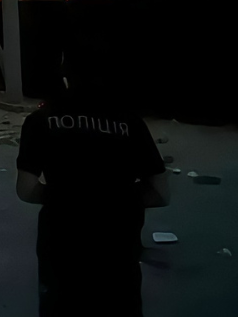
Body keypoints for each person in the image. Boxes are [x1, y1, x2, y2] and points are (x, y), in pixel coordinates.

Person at [16, 76, 170, 317]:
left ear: (66, 74)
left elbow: (26, 189)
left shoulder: (40, 120)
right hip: (118, 241)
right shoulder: (131, 122)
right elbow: (161, 193)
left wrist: (68, 196)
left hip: (61, 242)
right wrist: (113, 197)